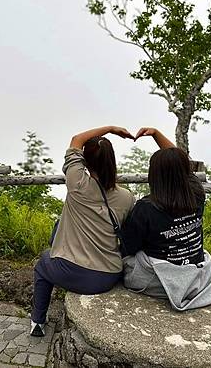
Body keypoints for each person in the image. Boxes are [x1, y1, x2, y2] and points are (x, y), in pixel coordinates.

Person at [30, 126, 136, 337]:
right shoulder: (127, 198)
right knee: (60, 224)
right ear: (111, 162)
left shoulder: (77, 183)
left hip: (73, 272)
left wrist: (110, 129)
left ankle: (37, 322)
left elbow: (76, 139)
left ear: (85, 162)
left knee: (43, 263)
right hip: (108, 275)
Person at [121, 127, 211, 311]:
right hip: (196, 274)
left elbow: (128, 248)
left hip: (161, 282)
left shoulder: (146, 208)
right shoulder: (196, 193)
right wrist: (156, 134)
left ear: (154, 175)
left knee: (127, 260)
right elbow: (183, 164)